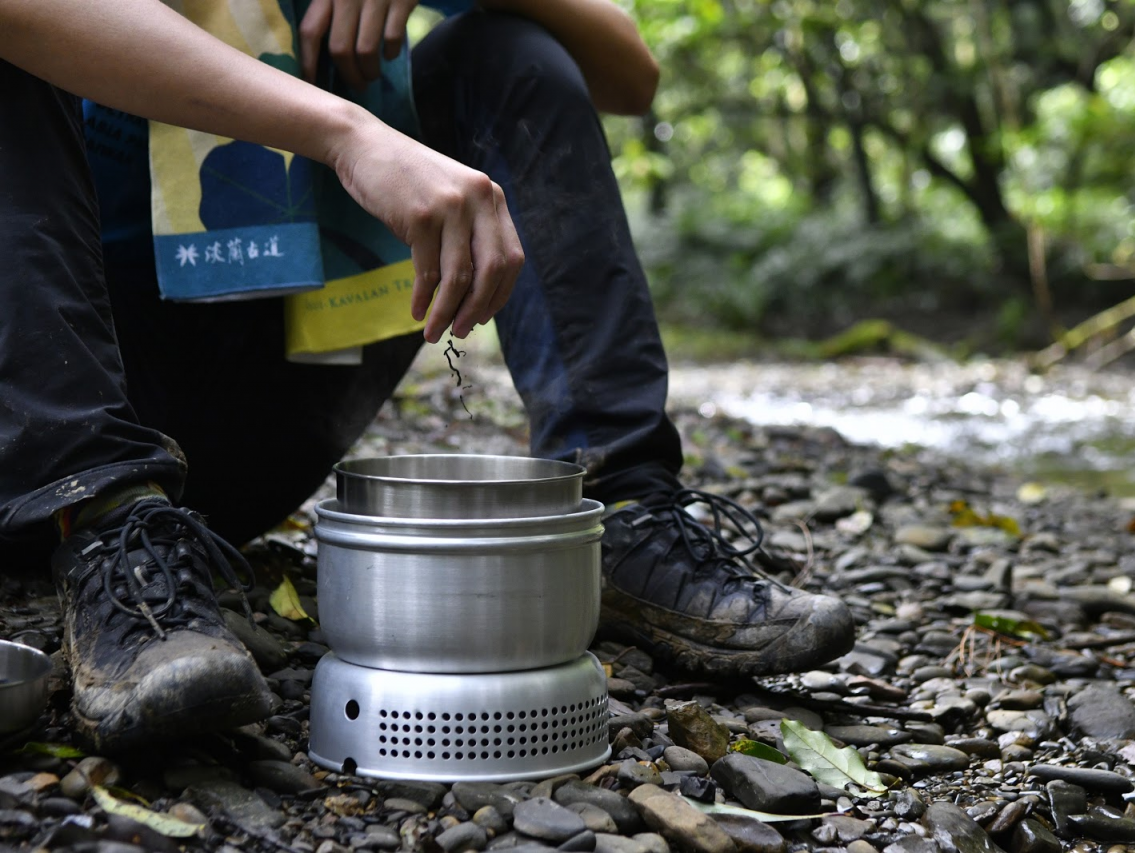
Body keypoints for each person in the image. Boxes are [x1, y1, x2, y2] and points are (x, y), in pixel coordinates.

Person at [0, 0, 857, 753]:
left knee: (510, 51)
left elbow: (629, 69)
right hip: (43, 439)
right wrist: (347, 132)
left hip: (255, 420)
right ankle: (112, 535)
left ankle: (624, 512)